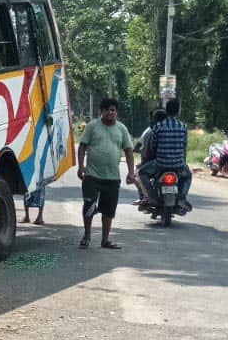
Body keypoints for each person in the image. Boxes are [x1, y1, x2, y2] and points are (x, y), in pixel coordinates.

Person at [76, 97, 137, 249]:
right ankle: (87, 236)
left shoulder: (121, 129)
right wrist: (81, 166)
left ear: (116, 112)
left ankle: (105, 240)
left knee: (109, 210)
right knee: (89, 205)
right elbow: (82, 147)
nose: (110, 113)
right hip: (92, 175)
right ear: (101, 112)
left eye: (113, 110)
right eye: (107, 110)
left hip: (112, 177)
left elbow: (129, 151)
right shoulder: (92, 126)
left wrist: (131, 172)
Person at [138, 98, 191, 210]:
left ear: (166, 110)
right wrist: (183, 162)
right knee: (188, 176)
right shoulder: (183, 127)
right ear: (178, 111)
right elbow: (184, 147)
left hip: (160, 164)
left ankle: (152, 197)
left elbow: (153, 146)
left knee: (141, 173)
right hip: (178, 164)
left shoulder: (158, 127)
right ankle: (181, 198)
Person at [133, 108, 167, 205]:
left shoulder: (151, 131)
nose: (151, 120)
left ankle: (147, 197)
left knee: (139, 172)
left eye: (152, 118)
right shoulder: (173, 129)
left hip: (155, 162)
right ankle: (182, 198)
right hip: (176, 163)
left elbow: (148, 151)